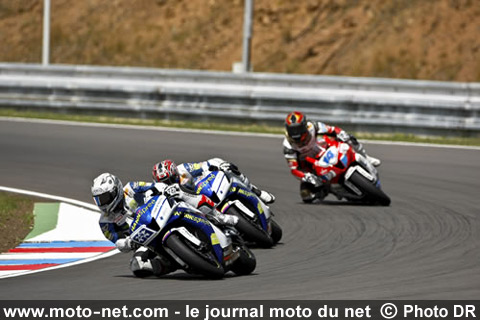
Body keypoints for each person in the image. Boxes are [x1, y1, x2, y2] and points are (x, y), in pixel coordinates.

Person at [91, 172, 236, 278]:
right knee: (137, 266)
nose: (103, 203)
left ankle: (219, 216)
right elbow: (117, 241)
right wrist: (126, 243)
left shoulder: (131, 188)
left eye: (105, 198)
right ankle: (173, 263)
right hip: (146, 240)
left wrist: (156, 191)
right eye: (99, 200)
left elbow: (154, 186)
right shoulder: (105, 222)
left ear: (116, 190)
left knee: (182, 194)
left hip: (163, 212)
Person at [282, 111, 381, 203]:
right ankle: (330, 189)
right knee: (306, 195)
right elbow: (294, 169)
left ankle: (366, 157)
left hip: (326, 149)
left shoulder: (314, 126)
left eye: (298, 128)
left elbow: (333, 130)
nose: (295, 133)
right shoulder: (288, 146)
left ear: (304, 126)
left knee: (350, 139)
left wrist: (342, 134)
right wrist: (305, 176)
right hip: (312, 167)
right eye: (292, 130)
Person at [151, 158, 275, 205]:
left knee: (227, 168)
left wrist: (219, 166)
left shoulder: (184, 169)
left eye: (171, 179)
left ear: (175, 172)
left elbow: (205, 165)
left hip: (207, 186)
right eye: (165, 182)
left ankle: (256, 192)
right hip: (198, 203)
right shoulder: (164, 192)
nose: (170, 183)